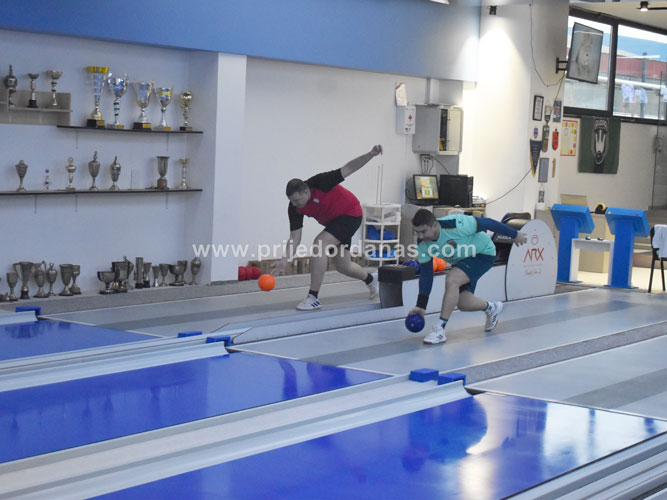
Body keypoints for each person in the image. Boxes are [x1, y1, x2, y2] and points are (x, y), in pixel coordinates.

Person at [272, 145, 383, 310]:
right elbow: (295, 238)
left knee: (319, 244)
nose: (294, 204)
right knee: (343, 266)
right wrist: (284, 260)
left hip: (351, 214)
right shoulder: (294, 208)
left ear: (306, 191)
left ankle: (313, 297)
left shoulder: (321, 182)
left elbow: (349, 168)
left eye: (296, 200)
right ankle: (372, 279)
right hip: (334, 223)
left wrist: (371, 154)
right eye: (292, 201)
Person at [408, 209, 527, 344]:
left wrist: (514, 234)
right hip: (461, 261)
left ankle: (439, 330)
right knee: (464, 303)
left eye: (423, 231)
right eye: (417, 232)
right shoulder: (422, 243)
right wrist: (421, 306)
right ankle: (492, 308)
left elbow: (488, 223)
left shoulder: (456, 224)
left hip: (482, 254)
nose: (420, 236)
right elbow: (426, 274)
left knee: (452, 278)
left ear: (434, 225)